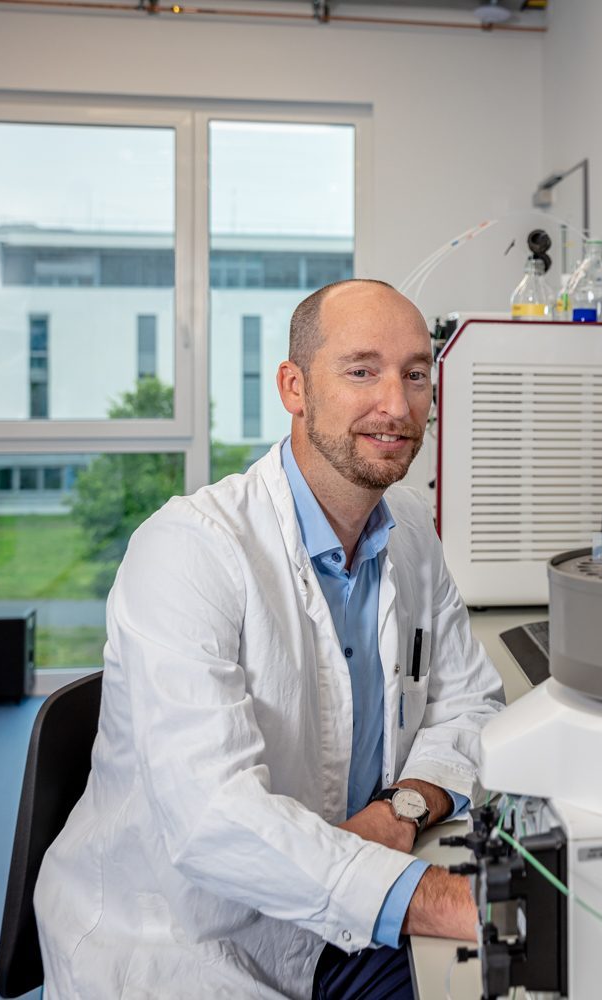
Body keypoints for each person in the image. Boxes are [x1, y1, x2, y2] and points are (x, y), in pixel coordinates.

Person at [35, 279, 506, 999]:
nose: (397, 403)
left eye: (416, 374)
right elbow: (213, 820)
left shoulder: (408, 528)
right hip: (191, 943)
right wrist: (437, 899)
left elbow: (470, 704)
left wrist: (403, 805)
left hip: (340, 924)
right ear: (294, 387)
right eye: (361, 370)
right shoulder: (189, 550)